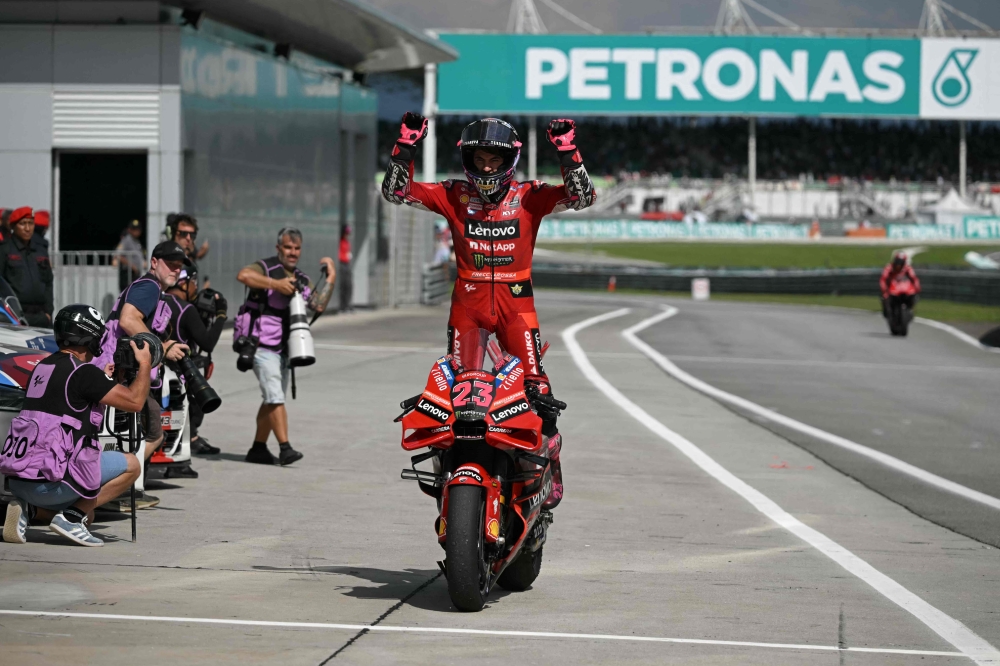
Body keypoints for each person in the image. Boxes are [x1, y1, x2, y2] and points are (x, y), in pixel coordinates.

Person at [381, 113, 596, 510]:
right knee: (460, 397)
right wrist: (405, 146)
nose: (486, 166)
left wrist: (568, 149)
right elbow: (396, 193)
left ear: (509, 160)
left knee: (539, 393)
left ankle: (548, 470)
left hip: (517, 310)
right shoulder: (452, 194)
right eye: (479, 158)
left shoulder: (530, 195)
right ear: (467, 159)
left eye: (495, 160)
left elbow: (582, 197)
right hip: (468, 310)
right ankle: (457, 477)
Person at [1, 305, 148, 546]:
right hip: (51, 485)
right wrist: (144, 364)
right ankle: (71, 517)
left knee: (89, 516)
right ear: (91, 338)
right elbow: (135, 402)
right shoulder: (85, 374)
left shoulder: (43, 366)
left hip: (18, 481)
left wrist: (106, 381)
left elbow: (70, 402)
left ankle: (29, 510)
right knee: (131, 465)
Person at [95, 240, 191, 508]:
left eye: (179, 267)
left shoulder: (150, 288)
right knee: (147, 433)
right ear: (154, 262)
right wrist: (163, 347)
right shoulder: (149, 286)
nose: (175, 270)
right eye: (170, 264)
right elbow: (128, 319)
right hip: (121, 372)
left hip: (123, 371)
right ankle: (119, 490)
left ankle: (126, 487)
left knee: (145, 433)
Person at [236, 228, 335, 466]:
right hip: (260, 345)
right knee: (275, 397)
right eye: (288, 247)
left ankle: (258, 449)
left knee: (272, 399)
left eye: (297, 248)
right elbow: (243, 275)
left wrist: (331, 277)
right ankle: (285, 448)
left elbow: (317, 305)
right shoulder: (266, 267)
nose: (292, 252)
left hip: (284, 348)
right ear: (278, 248)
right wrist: (276, 284)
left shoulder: (301, 278)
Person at [158, 265, 227, 457]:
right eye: (193, 282)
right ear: (182, 282)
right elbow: (207, 342)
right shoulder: (185, 309)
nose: (196, 287)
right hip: (177, 374)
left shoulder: (155, 300)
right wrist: (221, 314)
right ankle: (180, 455)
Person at [0, 207, 54, 327]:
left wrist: (48, 312)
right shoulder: (4, 250)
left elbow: (48, 282)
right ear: (13, 226)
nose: (27, 228)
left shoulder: (40, 250)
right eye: (23, 224)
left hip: (42, 317)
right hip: (16, 316)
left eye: (30, 223)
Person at [880, 251, 921, 316]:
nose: (899, 264)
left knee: (914, 296)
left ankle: (910, 309)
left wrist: (917, 288)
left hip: (904, 289)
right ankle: (887, 311)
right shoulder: (889, 267)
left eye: (901, 262)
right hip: (891, 289)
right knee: (884, 297)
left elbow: (914, 278)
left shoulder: (908, 268)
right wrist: (884, 289)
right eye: (898, 261)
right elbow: (883, 278)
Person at [116, 220, 145, 292]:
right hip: (128, 274)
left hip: (135, 274)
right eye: (134, 229)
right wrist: (132, 266)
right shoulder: (126, 240)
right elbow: (118, 255)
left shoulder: (136, 241)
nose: (137, 231)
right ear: (129, 230)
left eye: (138, 229)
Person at [338, 225, 353, 313]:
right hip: (342, 264)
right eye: (346, 233)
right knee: (342, 285)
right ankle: (342, 305)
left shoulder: (347, 242)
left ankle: (347, 304)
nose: (347, 234)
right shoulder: (341, 242)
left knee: (348, 285)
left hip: (347, 264)